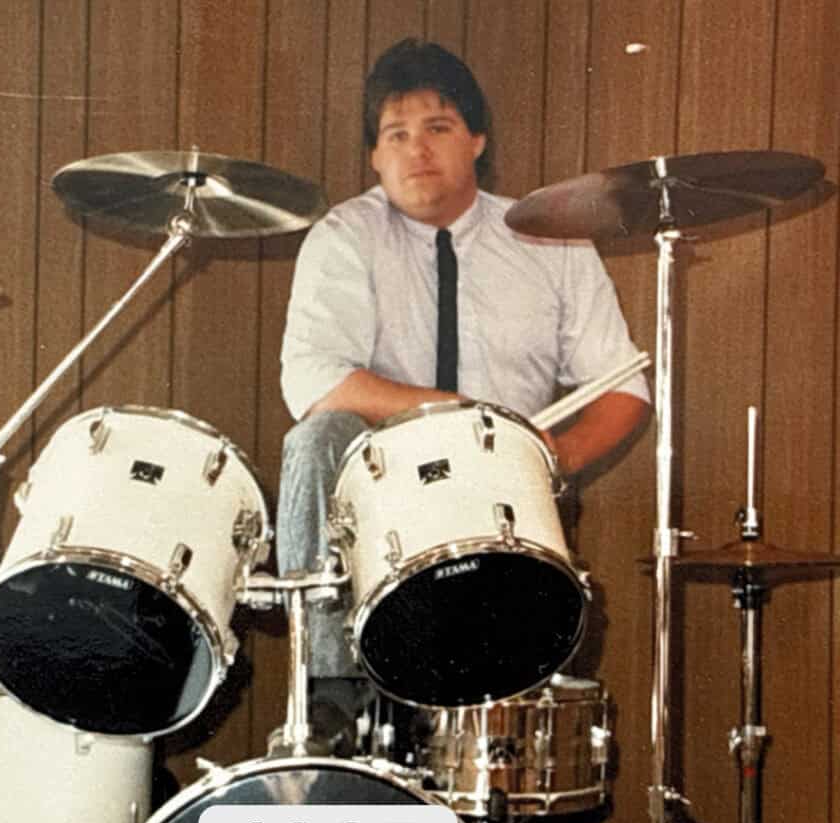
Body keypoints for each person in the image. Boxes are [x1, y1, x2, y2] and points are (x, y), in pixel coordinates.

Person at [276, 38, 649, 750]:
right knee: (314, 439)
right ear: (374, 158)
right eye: (396, 135)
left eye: (438, 128)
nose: (417, 151)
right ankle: (328, 704)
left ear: (477, 139)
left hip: (507, 505)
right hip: (381, 504)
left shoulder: (555, 242)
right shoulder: (345, 237)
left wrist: (557, 457)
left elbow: (623, 385)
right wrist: (456, 414)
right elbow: (315, 381)